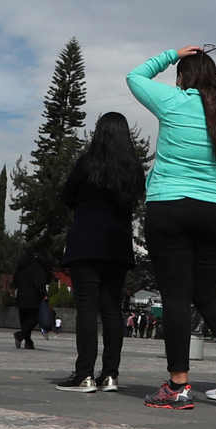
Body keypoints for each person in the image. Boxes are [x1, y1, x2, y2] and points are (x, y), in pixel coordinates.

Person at [127, 45, 216, 411]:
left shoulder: (172, 100)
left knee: (175, 295)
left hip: (169, 206)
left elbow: (134, 77)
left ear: (181, 78)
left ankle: (178, 386)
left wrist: (171, 53)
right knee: (209, 295)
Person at [54, 113, 144, 393]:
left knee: (87, 307)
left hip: (86, 241)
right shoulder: (133, 168)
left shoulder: (87, 163)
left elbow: (66, 195)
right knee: (112, 309)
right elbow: (138, 197)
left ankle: (84, 374)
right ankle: (110, 374)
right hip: (117, 244)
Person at [12, 247, 52, 351]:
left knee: (25, 321)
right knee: (35, 318)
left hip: (21, 297)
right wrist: (44, 294)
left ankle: (28, 342)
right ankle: (20, 335)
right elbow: (39, 282)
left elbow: (15, 281)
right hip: (33, 298)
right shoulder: (35, 266)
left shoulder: (20, 267)